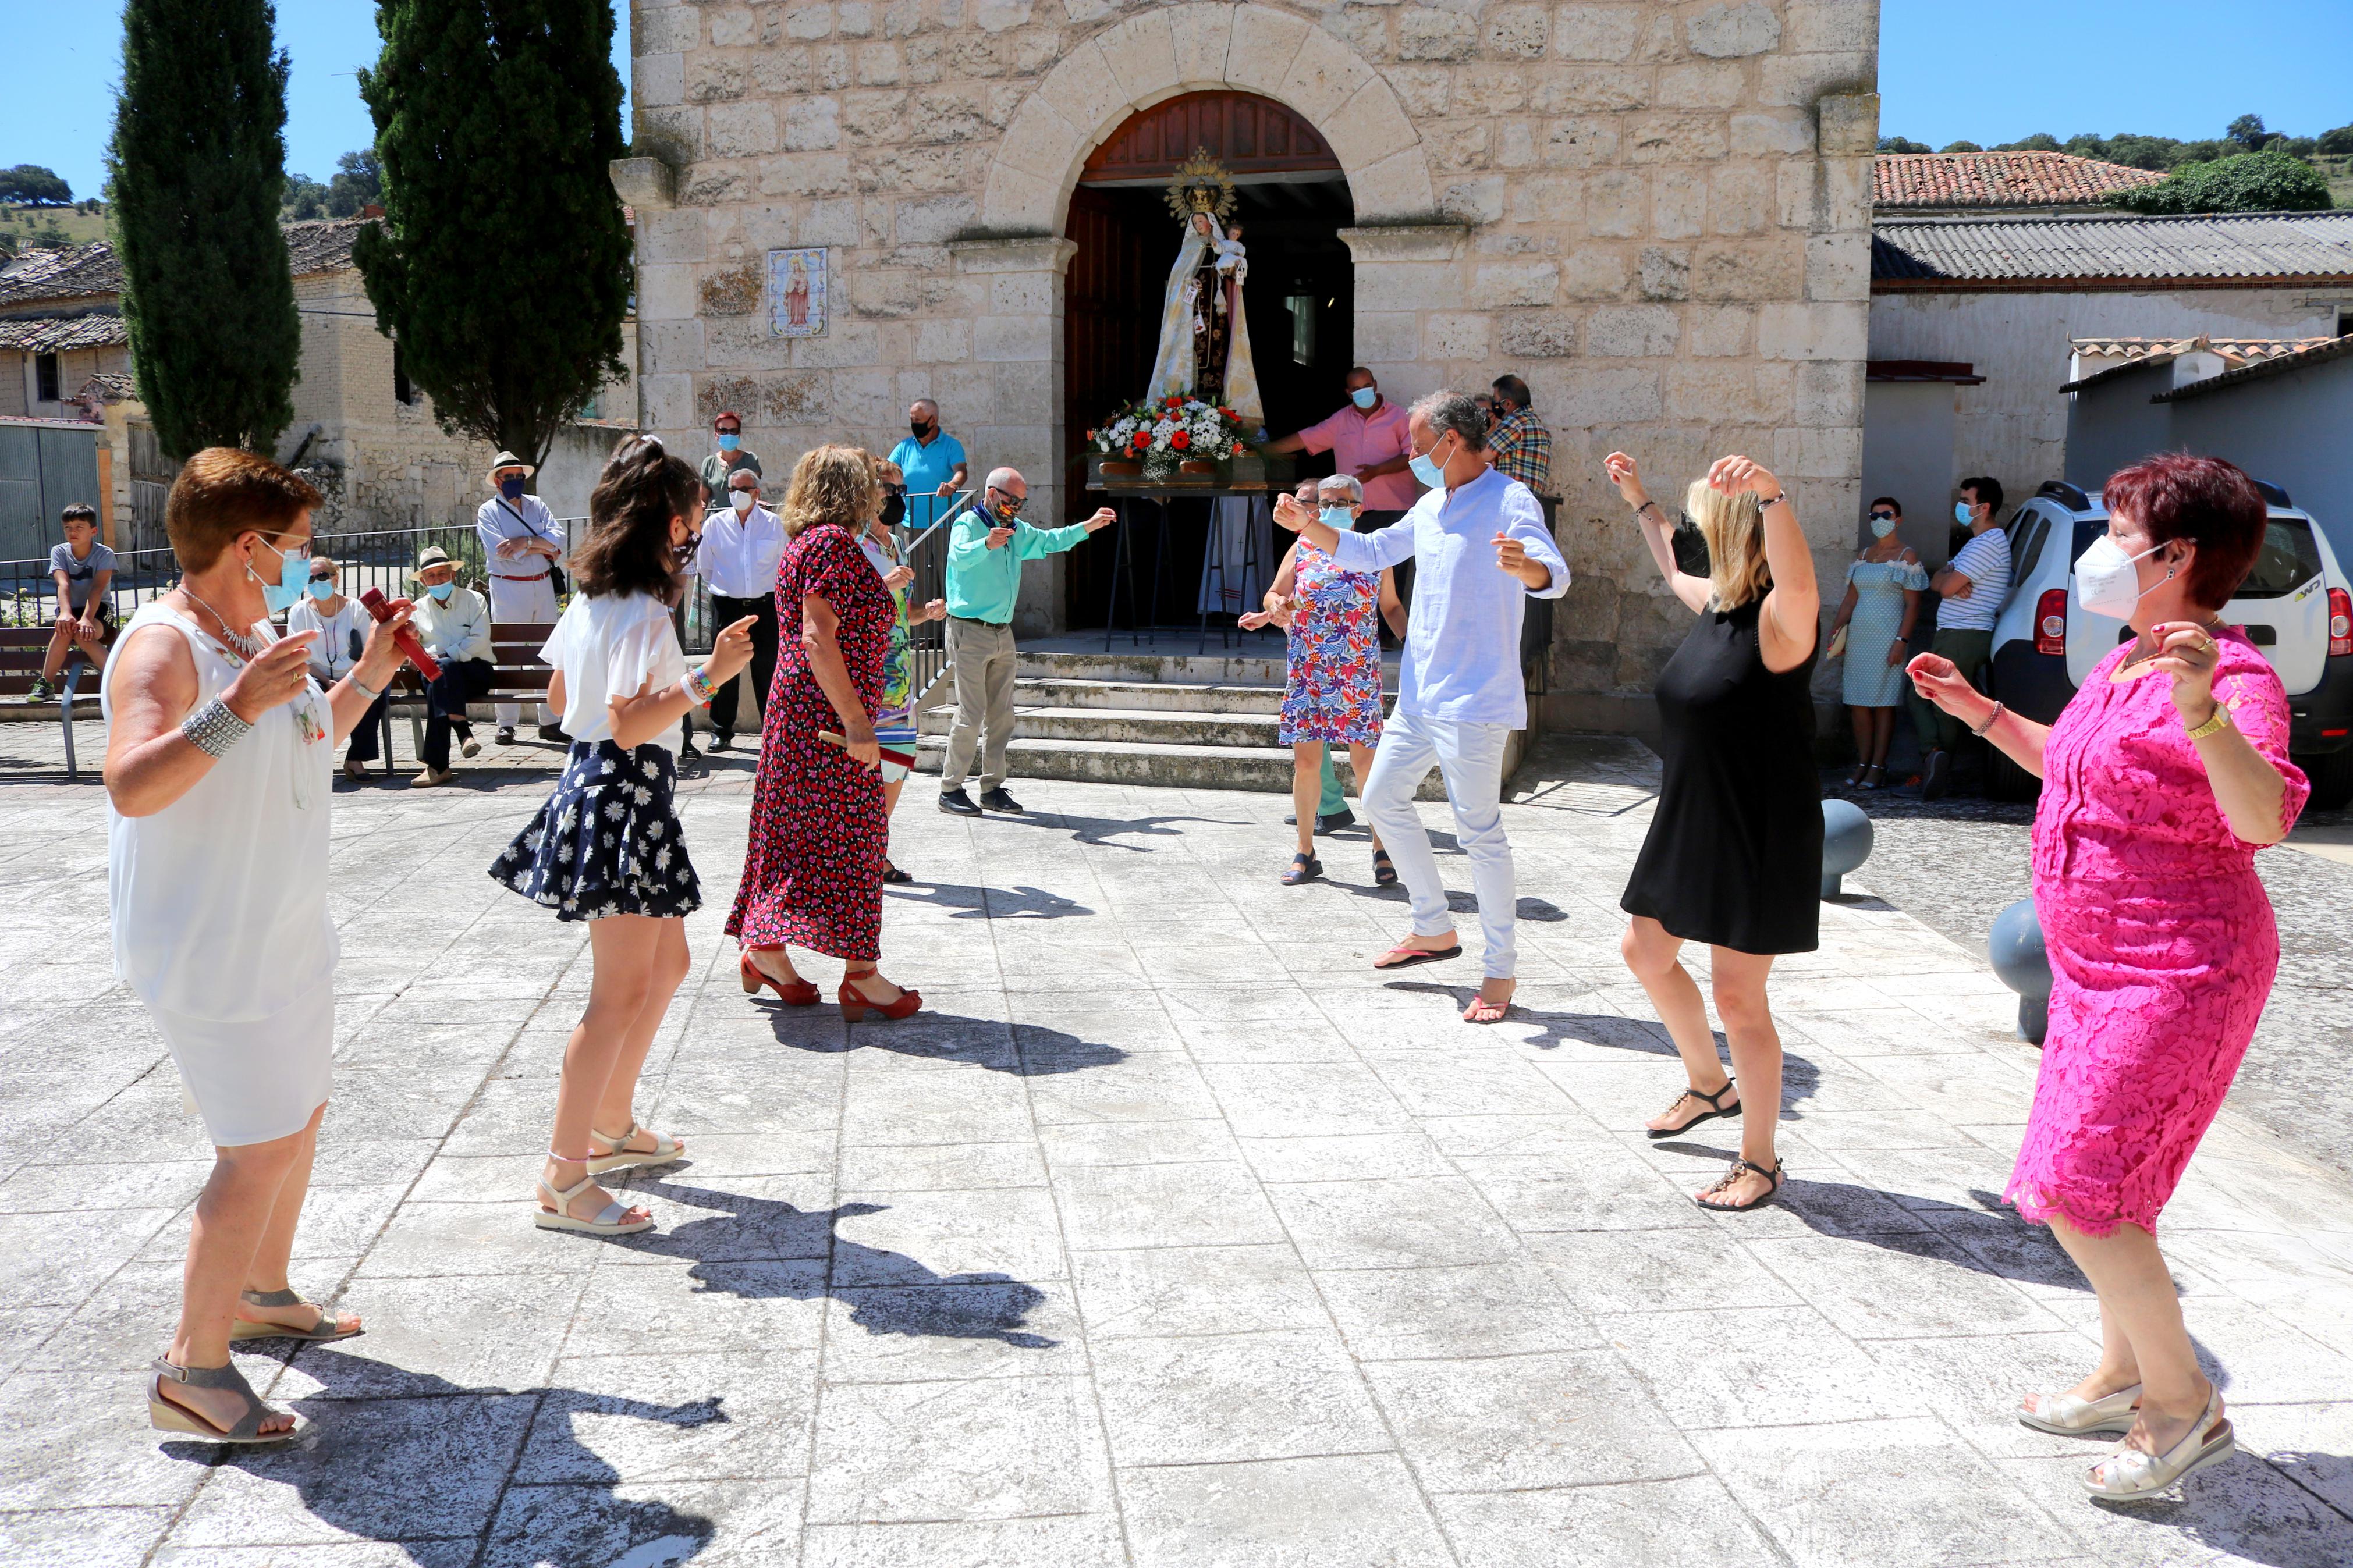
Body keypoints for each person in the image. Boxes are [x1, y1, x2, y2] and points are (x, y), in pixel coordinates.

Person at [1910, 454, 2306, 1501]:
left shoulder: (2229, 675)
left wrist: (2201, 710)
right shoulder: (2120, 663)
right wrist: (1979, 714)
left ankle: (2183, 1410)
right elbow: (2078, 767)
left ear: (2173, 557)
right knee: (2109, 1181)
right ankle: (2124, 1369)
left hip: (2179, 970)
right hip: (2093, 968)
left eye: (2114, 528)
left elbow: (2262, 817)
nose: (2097, 548)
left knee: (2083, 1190)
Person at [102, 448, 418, 1443]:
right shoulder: (166, 648)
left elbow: (309, 735)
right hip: (210, 945)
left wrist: (368, 674)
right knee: (257, 1147)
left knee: (301, 1116)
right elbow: (133, 784)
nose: (305, 560)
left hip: (280, 931)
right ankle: (192, 1370)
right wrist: (234, 709)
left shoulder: (253, 634)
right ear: (250, 546)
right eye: (295, 545)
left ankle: (263, 1292)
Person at [488, 436, 758, 1236]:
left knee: (665, 963)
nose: (699, 530)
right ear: (671, 523)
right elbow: (629, 718)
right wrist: (711, 672)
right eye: (697, 518)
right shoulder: (641, 610)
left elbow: (560, 692)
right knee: (616, 995)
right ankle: (566, 1178)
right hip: (624, 792)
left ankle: (608, 1126)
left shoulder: (592, 603)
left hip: (608, 788)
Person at [1273, 391, 1567, 1024]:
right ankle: (1433, 927)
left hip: (1475, 699)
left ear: (1450, 442)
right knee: (1380, 798)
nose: (1408, 454)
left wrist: (1530, 570)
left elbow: (1556, 574)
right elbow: (1369, 552)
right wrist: (1308, 529)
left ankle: (1499, 969)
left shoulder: (1510, 500)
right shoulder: (1431, 505)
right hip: (1418, 696)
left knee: (1478, 833)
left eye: (1413, 442)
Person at [1603, 447, 1821, 1214]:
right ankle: (1706, 1082)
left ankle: (1758, 1160)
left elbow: (1798, 580)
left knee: (1738, 998)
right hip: (1689, 817)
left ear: (1733, 530)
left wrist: (1772, 493)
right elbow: (1670, 565)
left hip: (1757, 829)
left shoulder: (1778, 619)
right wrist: (1638, 499)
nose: (1691, 533)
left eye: (1701, 523)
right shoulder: (1718, 607)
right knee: (1644, 949)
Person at [729, 445, 925, 1021]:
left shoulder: (806, 543)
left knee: (799, 838)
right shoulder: (832, 545)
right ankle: (861, 975)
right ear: (850, 489)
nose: (880, 495)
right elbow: (818, 637)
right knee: (855, 839)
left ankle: (768, 951)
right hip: (825, 722)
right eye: (871, 485)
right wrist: (858, 721)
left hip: (805, 716)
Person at [1239, 474, 1406, 886]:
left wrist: (1417, 645)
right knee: (1307, 762)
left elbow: (1390, 606)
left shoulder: (1373, 552)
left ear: (1358, 508)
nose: (1328, 509)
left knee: (1367, 764)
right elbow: (1274, 594)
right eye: (1323, 502)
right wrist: (1273, 606)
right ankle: (1305, 850)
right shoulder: (1302, 546)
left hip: (1357, 671)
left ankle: (1381, 848)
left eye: (1339, 502)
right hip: (1308, 668)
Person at [935, 468, 1115, 816]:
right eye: (1010, 500)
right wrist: (987, 543)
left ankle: (992, 788)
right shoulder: (968, 524)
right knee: (971, 713)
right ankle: (950, 789)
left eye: (1021, 502)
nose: (1015, 508)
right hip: (969, 630)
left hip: (1002, 632)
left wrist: (1088, 526)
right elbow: (958, 556)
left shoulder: (1016, 530)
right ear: (991, 493)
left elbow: (1050, 540)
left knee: (1002, 716)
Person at [858, 457, 947, 884]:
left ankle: (872, 848)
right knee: (865, 768)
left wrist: (924, 613)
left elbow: (901, 611)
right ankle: (866, 855)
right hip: (867, 673)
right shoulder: (852, 545)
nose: (898, 497)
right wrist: (883, 585)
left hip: (899, 673)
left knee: (897, 762)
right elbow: (845, 605)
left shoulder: (896, 545)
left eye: (901, 489)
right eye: (890, 489)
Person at [1911, 475, 2012, 798]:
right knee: (1931, 695)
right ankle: (1936, 760)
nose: (1961, 507)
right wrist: (1947, 578)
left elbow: (1948, 586)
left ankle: (1935, 760)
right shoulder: (1976, 543)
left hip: (1964, 632)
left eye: (1966, 502)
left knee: (1937, 699)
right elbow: (1937, 583)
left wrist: (1949, 579)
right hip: (1957, 631)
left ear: (1985, 508)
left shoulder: (1989, 543)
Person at [1827, 497, 1926, 789]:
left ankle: (1878, 766)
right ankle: (1862, 762)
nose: (1880, 519)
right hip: (1859, 638)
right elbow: (1850, 600)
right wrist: (1836, 633)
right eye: (1875, 515)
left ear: (1899, 519)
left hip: (1888, 639)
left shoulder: (1907, 557)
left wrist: (1901, 641)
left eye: (1886, 514)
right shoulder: (1864, 555)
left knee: (1883, 703)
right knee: (1857, 702)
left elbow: (1913, 606)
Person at [475, 451, 568, 745]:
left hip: (541, 583)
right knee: (509, 654)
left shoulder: (537, 505)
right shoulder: (488, 511)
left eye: (519, 476)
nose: (516, 480)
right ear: (498, 481)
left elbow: (560, 538)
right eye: (510, 477)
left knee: (547, 651)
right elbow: (499, 552)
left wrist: (525, 543)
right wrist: (541, 546)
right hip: (507, 586)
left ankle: (551, 721)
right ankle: (506, 724)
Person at [695, 466, 787, 751]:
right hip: (728, 607)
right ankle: (721, 730)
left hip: (765, 607)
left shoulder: (775, 525)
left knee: (768, 670)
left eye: (743, 490)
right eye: (732, 490)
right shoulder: (714, 524)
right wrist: (729, 590)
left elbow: (785, 565)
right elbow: (705, 568)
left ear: (756, 493)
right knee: (723, 670)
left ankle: (772, 732)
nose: (736, 495)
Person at [1262, 368, 1418, 526]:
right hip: (1352, 514)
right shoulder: (1340, 421)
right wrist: (1262, 450)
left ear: (1375, 386)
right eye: (1357, 389)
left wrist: (1377, 471)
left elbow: (1412, 457)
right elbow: (1305, 439)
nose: (1363, 391)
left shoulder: (1399, 417)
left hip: (1395, 510)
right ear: (1349, 393)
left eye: (1367, 386)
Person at [407, 545, 494, 788]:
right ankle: (462, 734)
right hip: (436, 675)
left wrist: (444, 656)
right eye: (431, 576)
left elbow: (480, 641)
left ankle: (439, 765)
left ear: (453, 575)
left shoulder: (474, 600)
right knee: (441, 675)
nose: (438, 579)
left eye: (442, 573)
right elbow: (411, 649)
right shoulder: (417, 609)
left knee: (443, 672)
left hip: (475, 672)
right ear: (424, 581)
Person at [286, 557, 379, 781]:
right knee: (307, 695)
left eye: (322, 576)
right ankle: (315, 758)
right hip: (314, 675)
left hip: (352, 673)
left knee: (375, 693)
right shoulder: (299, 612)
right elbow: (296, 654)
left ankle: (356, 759)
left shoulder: (354, 607)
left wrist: (348, 679)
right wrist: (327, 682)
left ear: (335, 578)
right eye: (310, 579)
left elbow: (367, 649)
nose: (316, 582)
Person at [33, 502, 115, 701]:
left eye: (79, 527)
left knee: (82, 633)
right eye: (68, 528)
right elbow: (63, 584)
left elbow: (97, 589)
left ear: (93, 531)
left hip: (98, 610)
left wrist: (87, 618)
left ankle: (117, 681)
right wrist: (65, 613)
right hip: (70, 607)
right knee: (65, 629)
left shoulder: (105, 554)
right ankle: (46, 684)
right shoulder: (59, 552)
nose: (73, 532)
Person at [887, 399, 968, 536]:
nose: (914, 424)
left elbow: (961, 471)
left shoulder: (951, 445)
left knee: (944, 559)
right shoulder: (904, 447)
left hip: (945, 523)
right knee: (914, 560)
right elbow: (886, 469)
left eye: (918, 420)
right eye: (912, 420)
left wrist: (952, 485)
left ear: (933, 420)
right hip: (912, 524)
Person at [1485, 375, 1553, 495]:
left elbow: (1482, 457)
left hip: (1511, 498)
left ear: (1507, 403)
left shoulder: (1516, 423)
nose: (1493, 404)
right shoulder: (1537, 425)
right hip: (1529, 500)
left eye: (1495, 399)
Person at [699, 410, 761, 503]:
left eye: (733, 431)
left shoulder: (750, 460)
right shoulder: (709, 463)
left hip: (743, 516)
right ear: (716, 435)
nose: (729, 435)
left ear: (739, 434)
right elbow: (702, 499)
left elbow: (755, 495)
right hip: (717, 517)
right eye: (723, 431)